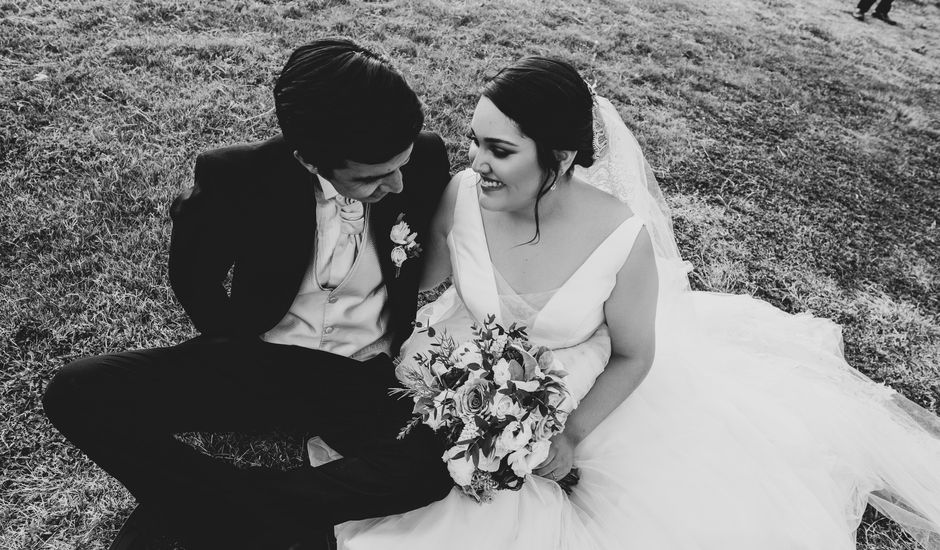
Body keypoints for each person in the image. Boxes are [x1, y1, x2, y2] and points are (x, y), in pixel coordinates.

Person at [333, 57, 940, 549]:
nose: (477, 163)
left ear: (561, 157)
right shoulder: (462, 195)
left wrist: (568, 435)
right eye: (475, 142)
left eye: (499, 150)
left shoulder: (621, 239)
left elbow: (633, 354)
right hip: (469, 364)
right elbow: (428, 293)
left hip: (575, 386)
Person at [41, 38, 457, 550]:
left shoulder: (428, 159)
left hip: (365, 374)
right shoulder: (236, 176)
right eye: (372, 178)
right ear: (309, 159)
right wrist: (231, 345)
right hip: (264, 362)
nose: (396, 184)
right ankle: (241, 505)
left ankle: (236, 502)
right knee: (77, 391)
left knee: (439, 463)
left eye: (401, 165)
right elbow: (193, 275)